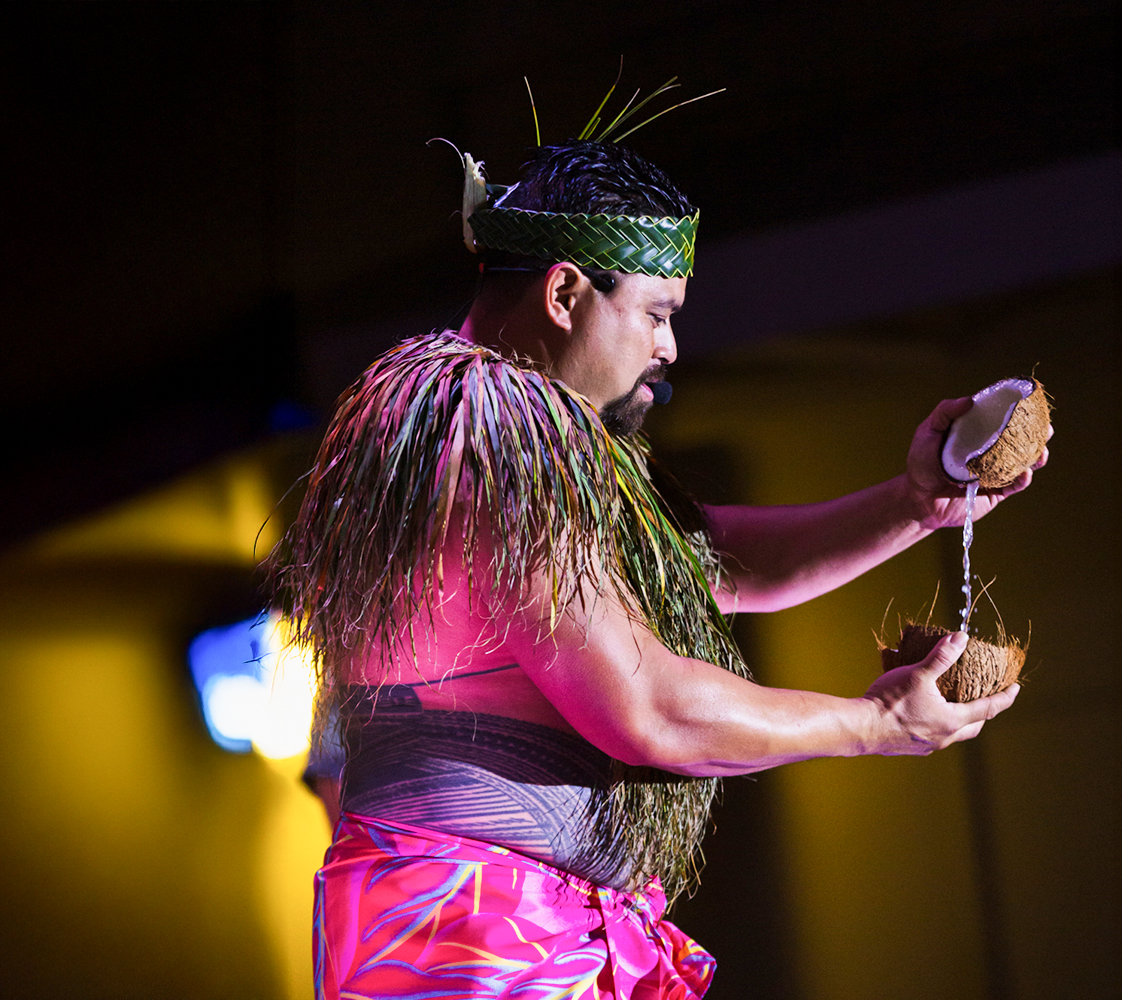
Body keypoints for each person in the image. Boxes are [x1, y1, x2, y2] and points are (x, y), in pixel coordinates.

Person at [273, 124, 1048, 999]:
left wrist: (915, 505)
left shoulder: (508, 437)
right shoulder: (489, 435)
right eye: (656, 314)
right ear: (566, 291)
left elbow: (712, 564)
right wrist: (873, 725)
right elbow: (648, 709)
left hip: (513, 923)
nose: (670, 348)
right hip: (475, 938)